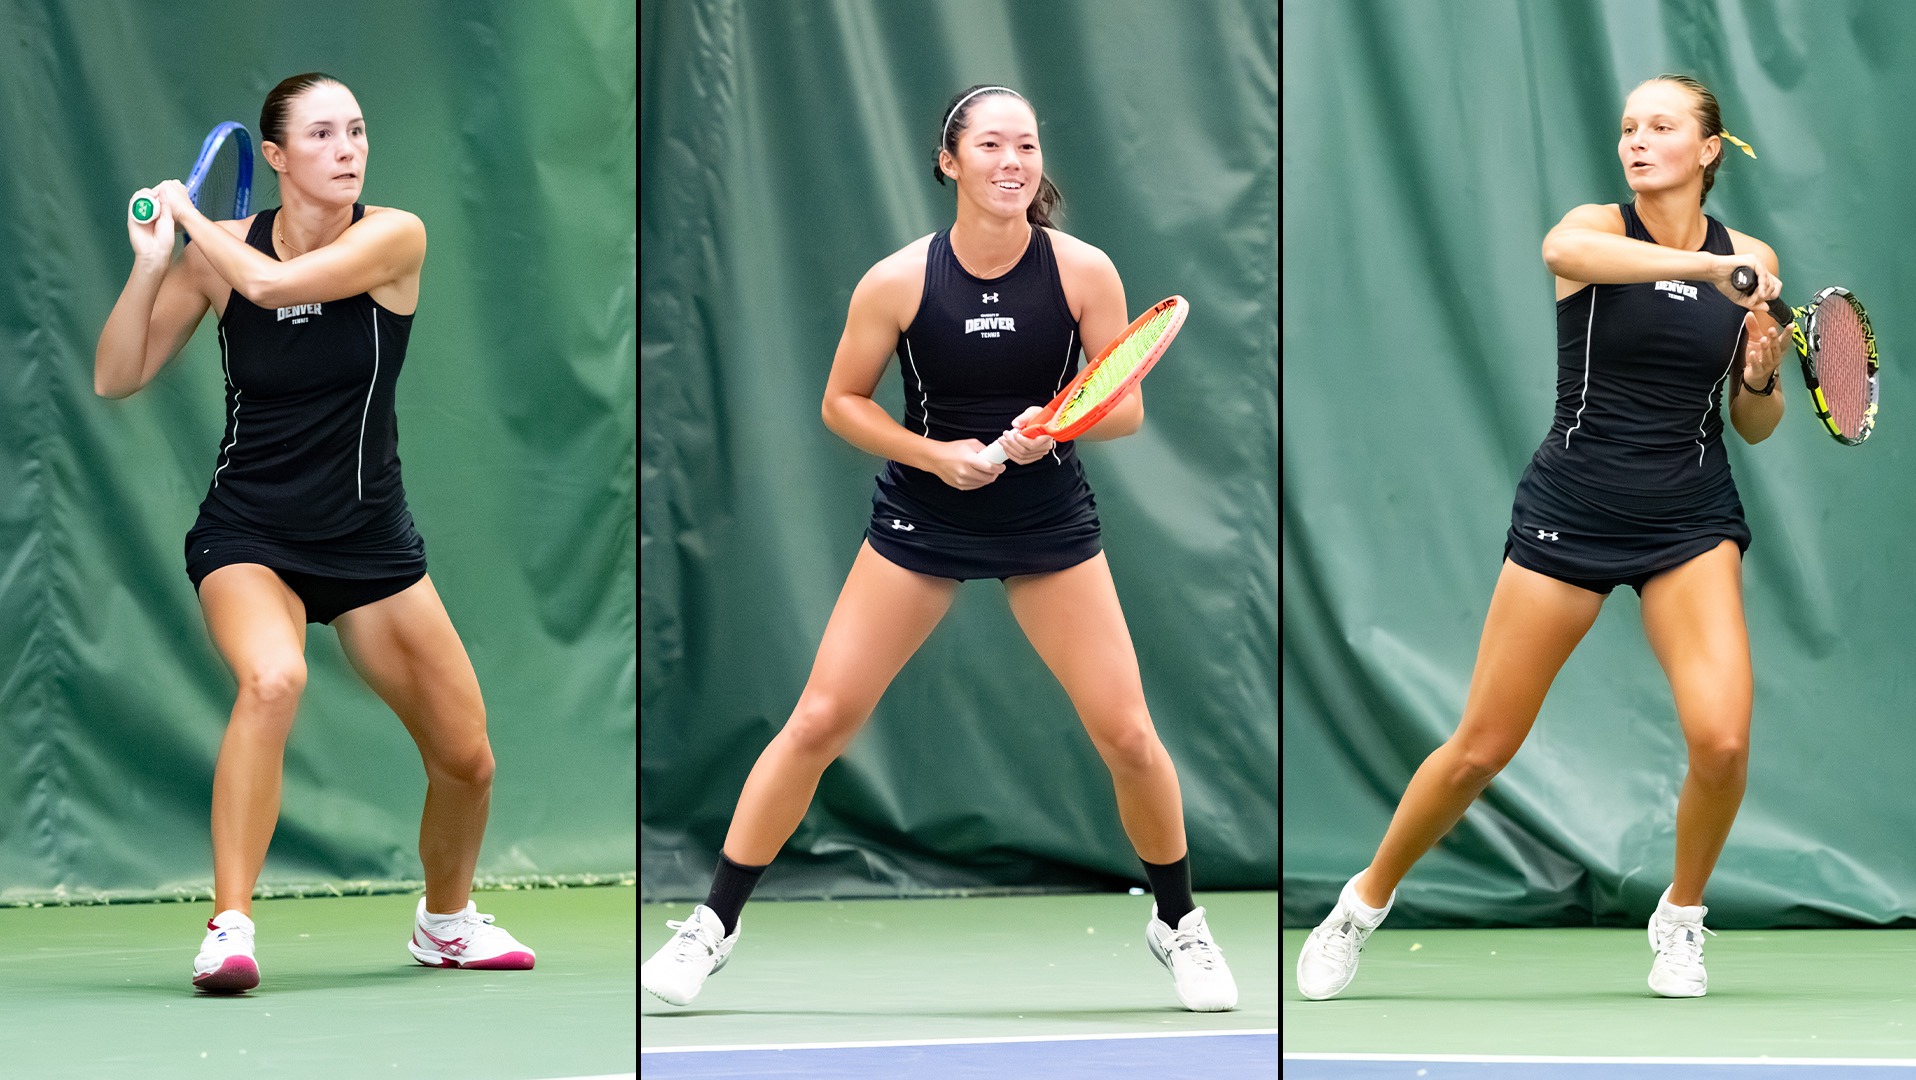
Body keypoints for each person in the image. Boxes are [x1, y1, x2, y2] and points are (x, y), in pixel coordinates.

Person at [642, 84, 1236, 1012]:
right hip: (923, 520)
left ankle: (1180, 924)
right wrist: (935, 454)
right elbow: (842, 402)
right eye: (991, 145)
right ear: (949, 162)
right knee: (821, 719)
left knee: (1127, 733)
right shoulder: (897, 281)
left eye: (1027, 146)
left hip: (1047, 523)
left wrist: (1057, 430)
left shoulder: (1083, 271)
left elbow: (1125, 406)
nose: (1012, 162)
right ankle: (710, 926)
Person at [1295, 73, 1791, 1000]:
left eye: (1662, 127)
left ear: (1710, 148)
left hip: (1690, 512)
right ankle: (1360, 905)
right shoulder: (1594, 228)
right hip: (1576, 504)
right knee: (1481, 746)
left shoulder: (1753, 257)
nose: (1638, 142)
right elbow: (1564, 248)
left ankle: (1681, 920)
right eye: (1628, 128)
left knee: (1722, 742)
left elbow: (1754, 424)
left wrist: (1760, 377)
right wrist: (1703, 274)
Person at [93, 73, 534, 993]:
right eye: (324, 135)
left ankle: (445, 922)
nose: (348, 149)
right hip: (250, 533)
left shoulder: (392, 236)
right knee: (273, 677)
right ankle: (230, 925)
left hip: (370, 541)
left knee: (467, 758)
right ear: (277, 157)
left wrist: (189, 215)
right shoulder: (215, 258)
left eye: (358, 132)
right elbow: (117, 375)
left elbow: (273, 281)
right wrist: (151, 262)